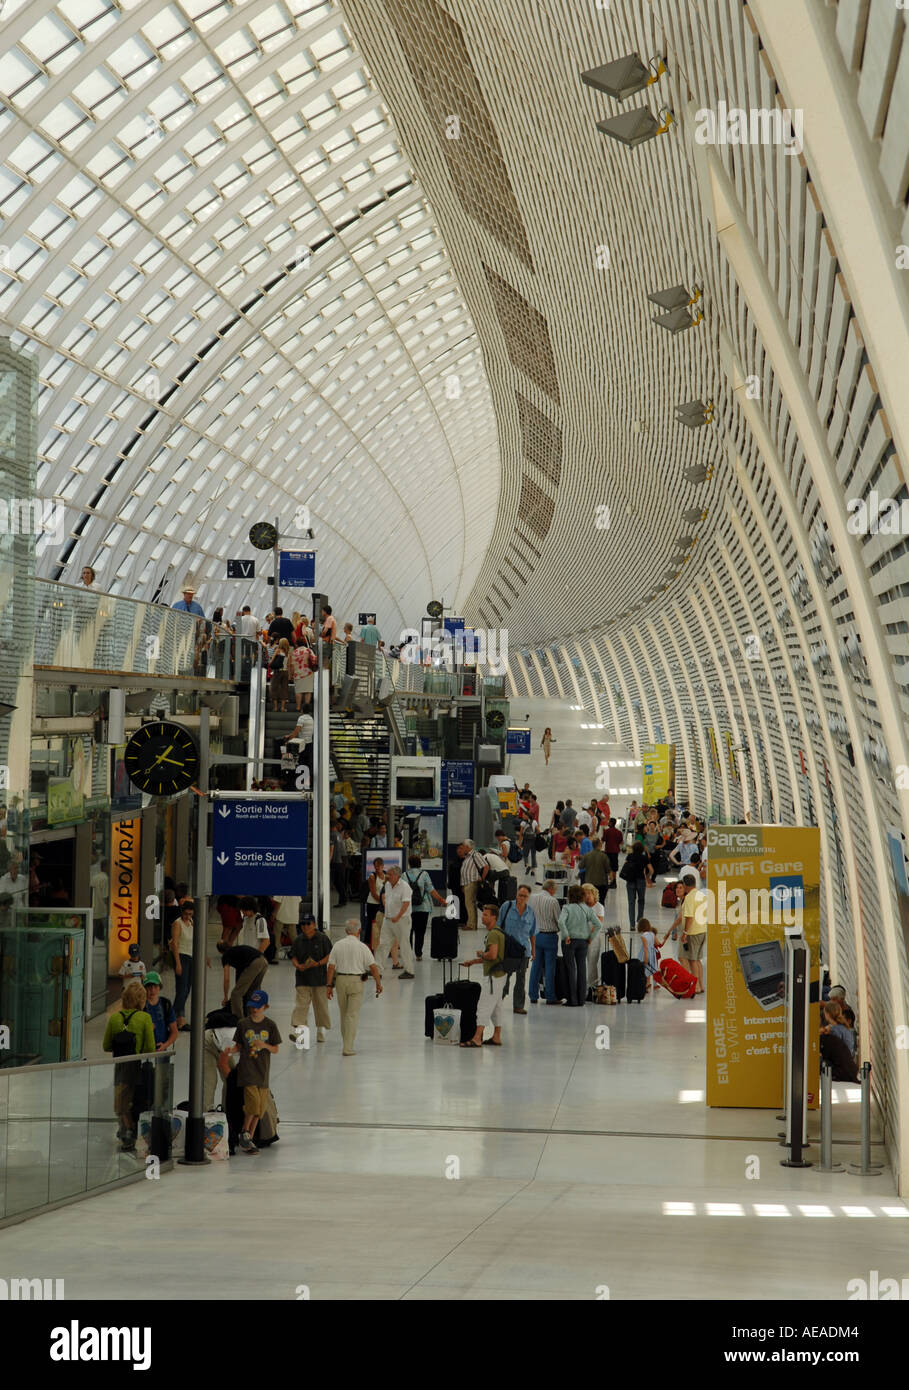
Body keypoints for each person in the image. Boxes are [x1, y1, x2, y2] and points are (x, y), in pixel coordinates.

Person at [221, 991, 281, 1154]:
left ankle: (249, 1139)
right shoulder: (243, 1024)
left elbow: (275, 1048)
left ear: (265, 1007)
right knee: (252, 1104)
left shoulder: (270, 1025)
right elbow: (239, 1046)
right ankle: (245, 1132)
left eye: (258, 1007)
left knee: (260, 1109)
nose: (255, 1010)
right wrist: (230, 1051)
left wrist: (264, 1045)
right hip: (247, 1071)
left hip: (263, 1072)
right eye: (252, 1007)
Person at [102, 980, 156, 1151]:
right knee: (135, 1099)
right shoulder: (145, 1018)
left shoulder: (115, 1018)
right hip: (136, 1066)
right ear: (142, 1000)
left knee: (121, 1098)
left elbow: (106, 1046)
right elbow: (150, 1048)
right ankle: (132, 1129)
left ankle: (124, 1129)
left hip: (119, 1066)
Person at [326, 921, 383, 1055]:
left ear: (346, 931)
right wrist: (378, 984)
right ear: (359, 931)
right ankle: (348, 1047)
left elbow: (331, 967)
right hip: (356, 982)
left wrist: (329, 985)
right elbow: (373, 967)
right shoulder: (362, 947)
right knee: (352, 1015)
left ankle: (346, 1043)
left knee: (343, 1014)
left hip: (340, 980)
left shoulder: (338, 945)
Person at [461, 902, 508, 1047]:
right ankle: (496, 1036)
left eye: (486, 915)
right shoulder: (499, 931)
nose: (482, 917)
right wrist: (474, 961)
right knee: (496, 1007)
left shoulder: (493, 934)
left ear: (494, 917)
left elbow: (492, 955)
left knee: (483, 1006)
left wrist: (482, 954)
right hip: (500, 975)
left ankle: (476, 1038)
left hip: (492, 978)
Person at [289, 913, 332, 1043]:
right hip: (302, 978)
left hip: (319, 978)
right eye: (303, 924)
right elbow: (293, 956)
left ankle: (321, 1029)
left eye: (308, 924)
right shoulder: (298, 940)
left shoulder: (323, 939)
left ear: (314, 925)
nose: (305, 926)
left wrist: (318, 963)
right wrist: (297, 965)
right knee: (301, 1005)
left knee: (321, 1005)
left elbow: (330, 955)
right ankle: (300, 1033)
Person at [558, 883, 600, 1006]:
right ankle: (582, 999)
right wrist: (591, 938)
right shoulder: (587, 909)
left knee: (571, 969)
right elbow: (598, 924)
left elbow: (561, 922)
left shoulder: (567, 908)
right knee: (582, 969)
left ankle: (572, 999)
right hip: (583, 942)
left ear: (570, 896)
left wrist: (566, 935)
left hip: (569, 942)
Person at [497, 884, 536, 1014]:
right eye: (520, 895)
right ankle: (497, 1002)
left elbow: (532, 934)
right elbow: (498, 926)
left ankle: (518, 1006)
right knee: (504, 978)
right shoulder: (506, 907)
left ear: (528, 897)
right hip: (508, 949)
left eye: (525, 896)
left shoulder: (530, 912)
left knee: (521, 979)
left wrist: (533, 951)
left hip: (524, 950)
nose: (522, 898)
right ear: (516, 894)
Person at [405, 853, 446, 961]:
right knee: (420, 931)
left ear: (409, 864)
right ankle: (418, 953)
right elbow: (431, 890)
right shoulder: (424, 874)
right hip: (423, 908)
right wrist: (442, 900)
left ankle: (408, 953)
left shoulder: (404, 875)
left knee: (408, 930)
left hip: (408, 908)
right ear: (419, 863)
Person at [216, 939, 269, 1019]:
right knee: (252, 992)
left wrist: (225, 997)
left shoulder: (226, 955)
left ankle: (239, 1020)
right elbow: (241, 975)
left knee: (236, 994)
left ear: (220, 951)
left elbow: (226, 979)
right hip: (264, 961)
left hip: (254, 963)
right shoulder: (237, 951)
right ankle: (253, 1017)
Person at [379, 864, 415, 979]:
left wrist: (398, 916)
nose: (387, 876)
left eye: (389, 874)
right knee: (383, 944)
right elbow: (386, 898)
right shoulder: (388, 885)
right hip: (388, 919)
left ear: (397, 875)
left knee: (404, 945)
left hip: (401, 920)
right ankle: (377, 968)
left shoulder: (405, 887)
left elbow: (406, 903)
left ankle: (409, 971)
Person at [528, 881, 561, 1004]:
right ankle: (550, 996)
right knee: (549, 967)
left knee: (535, 966)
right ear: (551, 889)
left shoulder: (532, 898)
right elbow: (559, 920)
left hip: (536, 935)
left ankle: (533, 995)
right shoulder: (553, 901)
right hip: (550, 936)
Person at [677, 869, 708, 994]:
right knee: (698, 960)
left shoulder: (689, 898)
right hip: (702, 930)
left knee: (692, 960)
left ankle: (695, 986)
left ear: (685, 885)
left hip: (693, 932)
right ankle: (701, 985)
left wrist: (685, 933)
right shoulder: (701, 895)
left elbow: (689, 917)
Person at [170, 899, 196, 1032]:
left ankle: (180, 1019)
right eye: (186, 914)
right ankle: (172, 1017)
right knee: (182, 989)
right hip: (181, 957)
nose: (188, 916)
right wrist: (178, 963)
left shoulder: (191, 923)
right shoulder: (177, 923)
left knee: (187, 989)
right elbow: (174, 943)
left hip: (191, 957)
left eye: (190, 914)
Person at [457, 839, 489, 931]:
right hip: (467, 884)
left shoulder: (476, 855)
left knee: (470, 904)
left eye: (463, 846)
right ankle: (471, 923)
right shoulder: (467, 857)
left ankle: (471, 925)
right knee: (469, 904)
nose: (462, 848)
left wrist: (482, 878)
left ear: (467, 847)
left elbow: (486, 866)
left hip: (472, 883)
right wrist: (463, 885)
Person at [143, 971, 178, 1051]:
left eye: (155, 986)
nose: (152, 990)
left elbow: (174, 1032)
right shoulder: (140, 1005)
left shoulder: (165, 1004)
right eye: (149, 987)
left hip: (162, 1049)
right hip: (144, 1051)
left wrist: (165, 1045)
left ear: (159, 987)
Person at [582, 882, 606, 987]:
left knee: (592, 963)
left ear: (594, 894)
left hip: (594, 938)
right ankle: (582, 986)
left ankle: (592, 986)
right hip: (581, 937)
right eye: (584, 894)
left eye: (589, 893)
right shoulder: (581, 906)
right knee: (581, 963)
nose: (587, 896)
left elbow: (598, 925)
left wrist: (590, 937)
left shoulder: (599, 907)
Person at [620, 842, 648, 931]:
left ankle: (632, 925)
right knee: (641, 901)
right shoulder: (644, 858)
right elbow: (651, 870)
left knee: (631, 902)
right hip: (641, 880)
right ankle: (639, 921)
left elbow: (625, 866)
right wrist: (647, 878)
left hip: (630, 881)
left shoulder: (630, 856)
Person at [364, 857, 386, 951]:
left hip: (382, 903)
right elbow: (373, 893)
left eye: (378, 866)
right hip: (373, 904)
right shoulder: (372, 877)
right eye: (375, 866)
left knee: (382, 924)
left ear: (382, 866)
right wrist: (382, 902)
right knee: (371, 924)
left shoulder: (386, 875)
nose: (377, 868)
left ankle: (379, 944)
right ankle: (368, 945)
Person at [579, 837, 610, 903]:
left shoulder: (587, 856)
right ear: (600, 845)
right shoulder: (604, 856)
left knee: (589, 902)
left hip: (589, 882)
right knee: (601, 902)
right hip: (601, 882)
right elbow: (608, 870)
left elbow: (580, 866)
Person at [636, 918, 660, 995]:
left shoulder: (643, 936)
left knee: (645, 970)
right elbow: (657, 943)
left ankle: (646, 985)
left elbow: (645, 948)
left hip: (645, 954)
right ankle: (651, 984)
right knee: (651, 970)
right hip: (652, 954)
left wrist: (646, 959)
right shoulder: (652, 934)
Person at [329, 820, 349, 907]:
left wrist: (329, 860)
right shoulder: (338, 835)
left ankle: (343, 899)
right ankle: (343, 899)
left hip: (335, 860)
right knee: (339, 881)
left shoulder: (331, 835)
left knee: (336, 881)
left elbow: (331, 848)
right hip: (341, 860)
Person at [269, 638, 291, 712]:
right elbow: (289, 665)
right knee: (284, 689)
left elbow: (272, 661)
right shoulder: (288, 653)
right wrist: (290, 675)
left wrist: (270, 663)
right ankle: (282, 707)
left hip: (277, 671)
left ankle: (275, 707)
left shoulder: (278, 651)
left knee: (274, 688)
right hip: (285, 672)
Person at [602, 818, 624, 888]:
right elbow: (621, 842)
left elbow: (603, 840)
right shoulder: (619, 832)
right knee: (614, 868)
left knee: (607, 867)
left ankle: (608, 881)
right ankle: (614, 882)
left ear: (611, 823)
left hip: (608, 851)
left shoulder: (607, 831)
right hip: (615, 852)